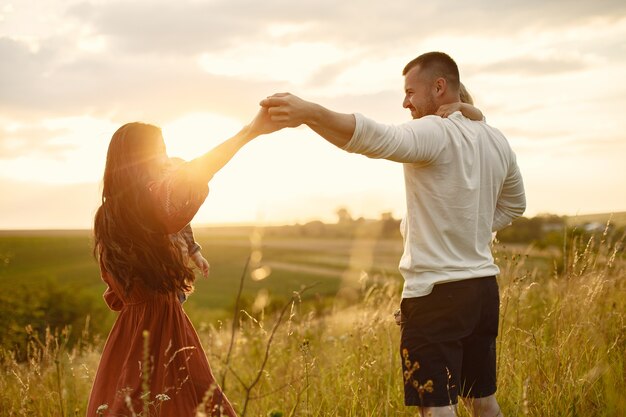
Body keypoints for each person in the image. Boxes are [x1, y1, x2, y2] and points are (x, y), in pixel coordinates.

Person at [259, 52, 526, 417]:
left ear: (439, 87)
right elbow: (515, 205)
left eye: (410, 92)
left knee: (437, 407)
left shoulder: (434, 131)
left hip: (437, 294)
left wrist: (310, 113)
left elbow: (373, 138)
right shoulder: (496, 140)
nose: (405, 103)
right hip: (482, 290)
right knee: (482, 400)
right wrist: (471, 227)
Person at [87, 114, 271, 417]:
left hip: (129, 330)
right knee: (185, 402)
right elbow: (199, 172)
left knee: (130, 403)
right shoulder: (152, 202)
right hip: (162, 322)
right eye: (159, 149)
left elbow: (113, 280)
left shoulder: (107, 214)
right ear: (139, 158)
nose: (164, 157)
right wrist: (249, 132)